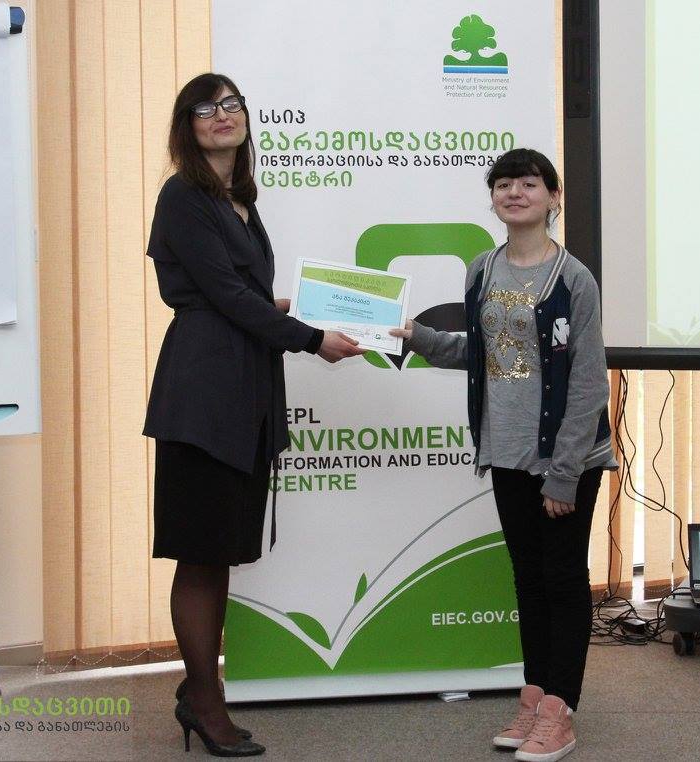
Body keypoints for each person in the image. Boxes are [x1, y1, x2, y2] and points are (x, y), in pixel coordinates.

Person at [143, 72, 364, 757]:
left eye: (232, 104)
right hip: (204, 393)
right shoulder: (183, 196)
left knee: (220, 553)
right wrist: (311, 338)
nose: (222, 115)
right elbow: (224, 298)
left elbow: (240, 295)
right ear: (187, 126)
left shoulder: (240, 200)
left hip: (244, 386)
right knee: (201, 555)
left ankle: (199, 691)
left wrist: (290, 309)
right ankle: (204, 700)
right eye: (206, 108)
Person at [390, 148, 613, 762]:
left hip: (566, 458)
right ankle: (535, 695)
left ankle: (560, 710)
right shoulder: (482, 270)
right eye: (504, 184)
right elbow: (481, 352)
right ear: (493, 199)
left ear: (553, 197)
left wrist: (564, 475)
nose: (515, 192)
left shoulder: (573, 278)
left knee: (563, 580)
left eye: (529, 183)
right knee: (528, 579)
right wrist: (418, 337)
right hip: (506, 449)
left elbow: (589, 382)